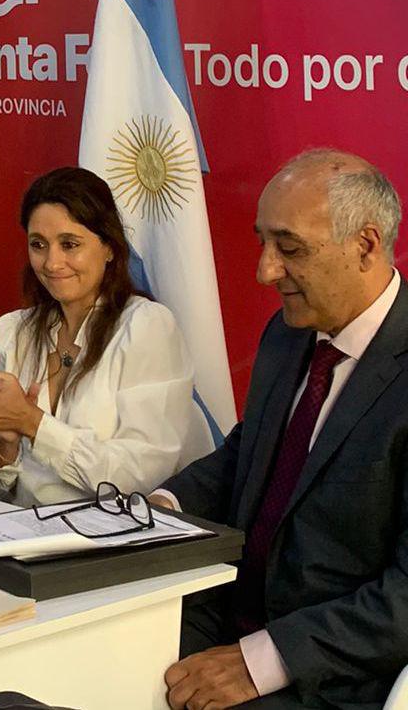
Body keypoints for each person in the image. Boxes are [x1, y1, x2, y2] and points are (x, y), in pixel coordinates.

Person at [157, 150, 408, 710]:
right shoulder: (289, 332)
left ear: (365, 245)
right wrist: (158, 509)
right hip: (224, 614)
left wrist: (263, 662)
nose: (265, 271)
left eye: (290, 249)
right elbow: (249, 452)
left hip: (331, 673)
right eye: (263, 243)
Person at [0, 167, 213, 504]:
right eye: (39, 245)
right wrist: (5, 444)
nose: (52, 263)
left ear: (109, 247)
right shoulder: (18, 332)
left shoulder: (146, 327)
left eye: (69, 244)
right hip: (21, 527)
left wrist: (34, 425)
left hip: (110, 531)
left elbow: (140, 475)